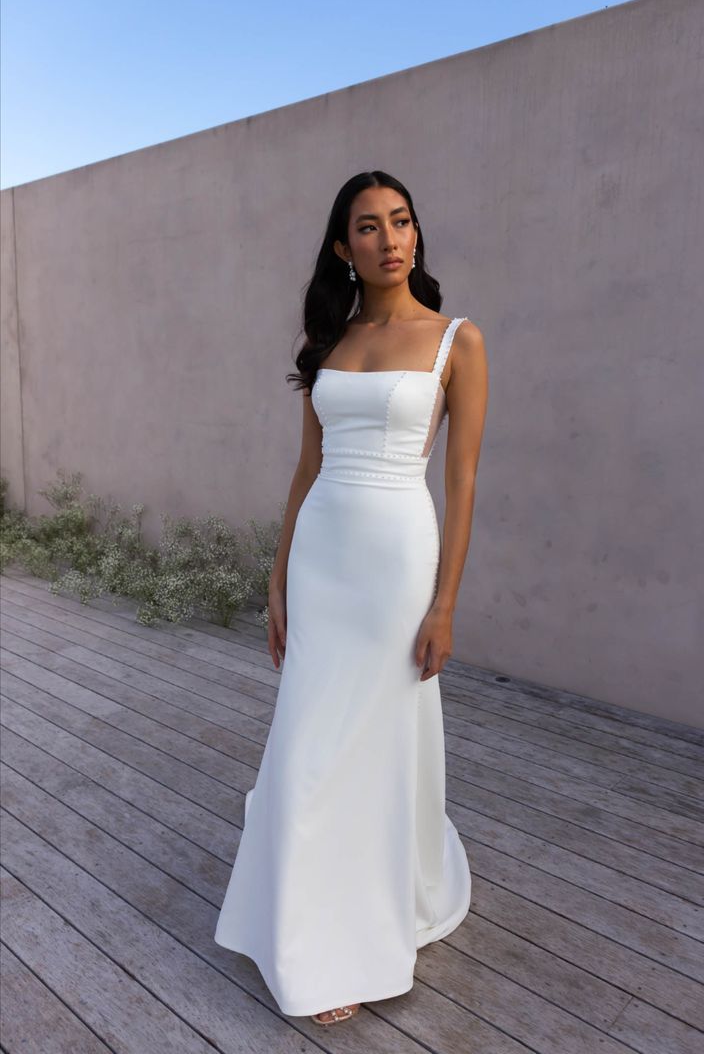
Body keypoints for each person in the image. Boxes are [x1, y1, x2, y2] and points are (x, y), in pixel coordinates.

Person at [214, 170, 488, 1027]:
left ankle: (364, 922)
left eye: (401, 221)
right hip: (323, 556)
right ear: (344, 247)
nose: (389, 238)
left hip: (399, 561)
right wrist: (277, 574)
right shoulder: (327, 341)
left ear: (416, 233)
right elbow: (306, 471)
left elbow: (464, 479)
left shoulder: (458, 342)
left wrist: (444, 603)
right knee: (307, 737)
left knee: (373, 741)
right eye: (368, 227)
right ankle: (304, 923)